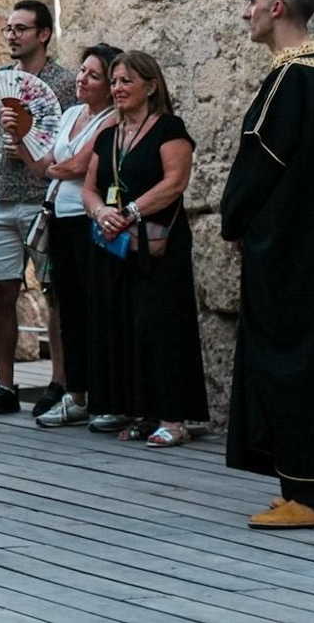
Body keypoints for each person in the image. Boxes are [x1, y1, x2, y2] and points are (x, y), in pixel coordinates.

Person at [221, 0, 314, 529]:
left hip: (290, 252)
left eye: (250, 2)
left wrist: (235, 219)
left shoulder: (290, 80)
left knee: (295, 364)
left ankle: (308, 495)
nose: (244, 12)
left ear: (277, 9)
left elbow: (260, 163)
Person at [79, 51, 207, 448]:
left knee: (162, 324)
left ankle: (173, 415)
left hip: (157, 245)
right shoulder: (107, 135)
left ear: (150, 87)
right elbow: (89, 187)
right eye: (114, 81)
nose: (117, 88)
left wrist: (131, 212)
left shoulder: (170, 129)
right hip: (116, 243)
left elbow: (175, 181)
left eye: (126, 81)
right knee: (124, 324)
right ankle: (141, 411)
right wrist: (101, 213)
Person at [0, 0, 76, 418]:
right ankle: (4, 384)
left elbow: (68, 138)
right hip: (0, 200)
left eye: (21, 29)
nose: (12, 35)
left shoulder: (65, 83)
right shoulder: (0, 80)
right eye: (8, 29)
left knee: (55, 294)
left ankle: (59, 381)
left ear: (44, 34)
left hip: (44, 199)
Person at [25, 45, 120, 428]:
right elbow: (50, 164)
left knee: (98, 309)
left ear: (110, 86)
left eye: (93, 75)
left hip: (89, 220)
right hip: (62, 218)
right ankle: (77, 392)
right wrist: (52, 164)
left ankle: (107, 395)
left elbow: (76, 166)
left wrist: (57, 167)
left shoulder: (112, 121)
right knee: (69, 309)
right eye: (82, 71)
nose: (81, 79)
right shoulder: (71, 115)